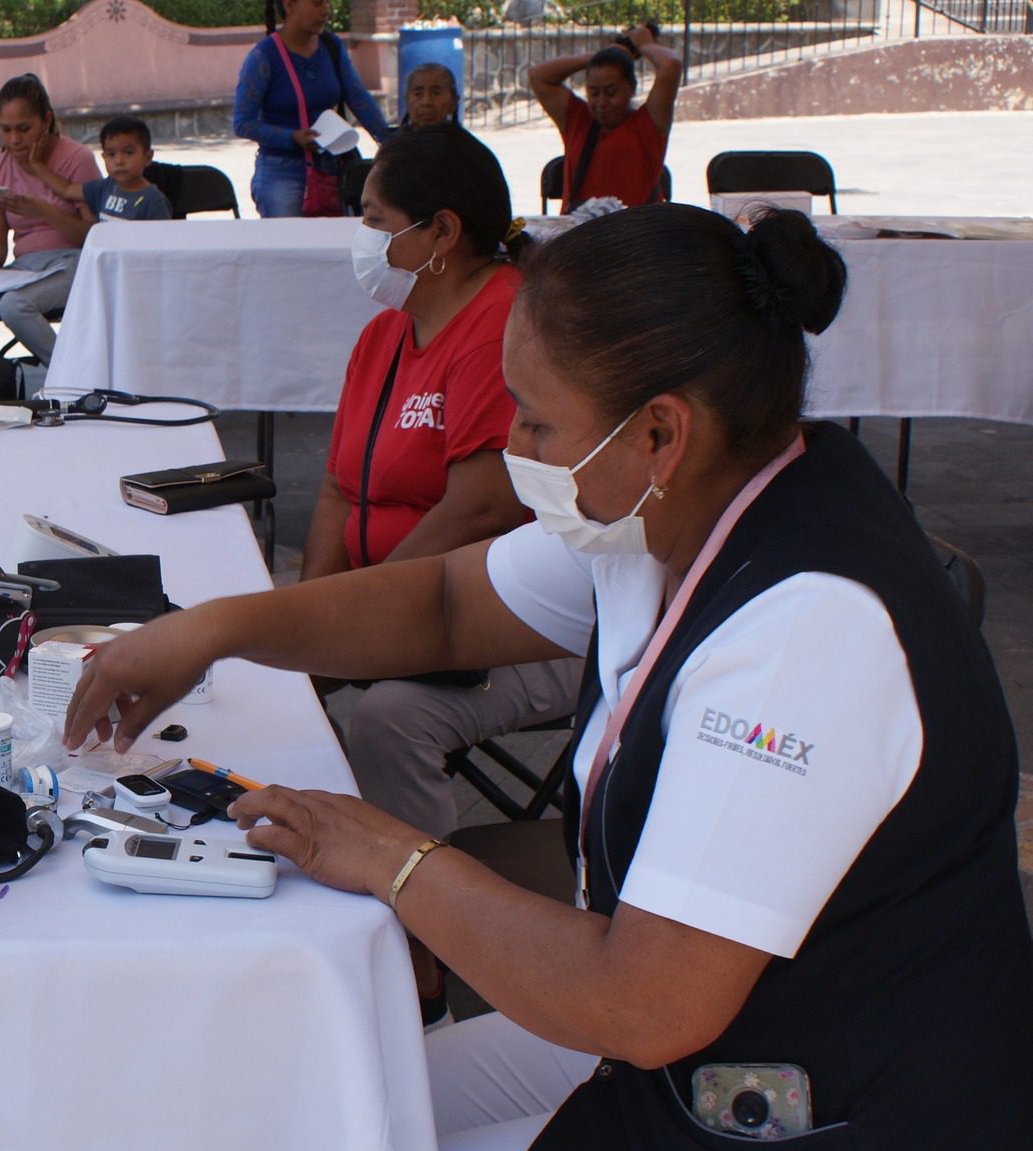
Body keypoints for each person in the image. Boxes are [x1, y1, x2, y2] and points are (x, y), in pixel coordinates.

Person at [66, 204, 1033, 1148]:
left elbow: (642, 1002)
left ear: (660, 432)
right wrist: (207, 630)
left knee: (334, 1111)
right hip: (696, 1056)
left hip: (827, 1097)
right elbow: (442, 603)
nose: (511, 451)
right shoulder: (666, 509)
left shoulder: (806, 629)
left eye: (533, 422)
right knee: (309, 1099)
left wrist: (392, 859)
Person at [312, 123, 579, 852]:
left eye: (374, 220)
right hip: (407, 605)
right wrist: (308, 611)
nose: (360, 237)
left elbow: (483, 506)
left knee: (386, 718)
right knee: (264, 660)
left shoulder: (507, 323)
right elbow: (339, 489)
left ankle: (417, 928)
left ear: (442, 233)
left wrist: (352, 618)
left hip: (518, 623)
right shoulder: (385, 335)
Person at [0, 74, 97, 387]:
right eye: (5, 129)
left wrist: (43, 211)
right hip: (24, 268)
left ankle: (75, 377)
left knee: (14, 305)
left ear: (45, 121)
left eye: (23, 129)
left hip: (73, 263)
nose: (14, 140)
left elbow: (94, 238)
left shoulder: (75, 159)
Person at [233, 0, 393, 218]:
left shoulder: (331, 46)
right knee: (289, 247)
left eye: (327, 2)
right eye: (317, 3)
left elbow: (357, 97)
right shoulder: (263, 56)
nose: (325, 10)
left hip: (332, 169)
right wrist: (291, 137)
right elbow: (243, 123)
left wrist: (388, 141)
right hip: (282, 174)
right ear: (289, 5)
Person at [528, 24, 682, 210]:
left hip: (636, 235)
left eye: (610, 92)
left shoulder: (649, 124)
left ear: (631, 88)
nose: (601, 102)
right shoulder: (578, 121)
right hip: (582, 235)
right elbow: (537, 76)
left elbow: (670, 65)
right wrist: (601, 56)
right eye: (593, 93)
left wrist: (645, 45)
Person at [20, 115, 173, 224]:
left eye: (128, 153)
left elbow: (162, 246)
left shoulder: (154, 201)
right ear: (104, 157)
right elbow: (67, 190)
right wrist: (37, 166)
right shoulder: (103, 188)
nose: (119, 161)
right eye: (111, 154)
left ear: (148, 157)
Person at [401, 61, 460, 131]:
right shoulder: (394, 140)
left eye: (436, 93)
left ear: (453, 102)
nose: (426, 102)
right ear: (406, 100)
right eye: (418, 94)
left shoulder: (464, 141)